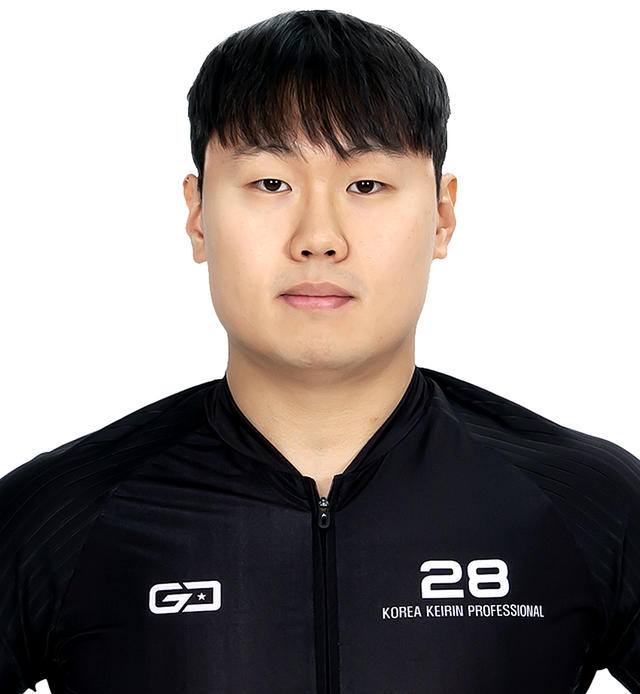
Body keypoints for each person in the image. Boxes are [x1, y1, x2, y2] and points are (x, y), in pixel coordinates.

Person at [1, 9, 638, 694]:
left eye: (366, 185)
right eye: (270, 183)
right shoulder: (60, 518)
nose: (318, 239)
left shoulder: (586, 505)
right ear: (198, 215)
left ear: (442, 216)